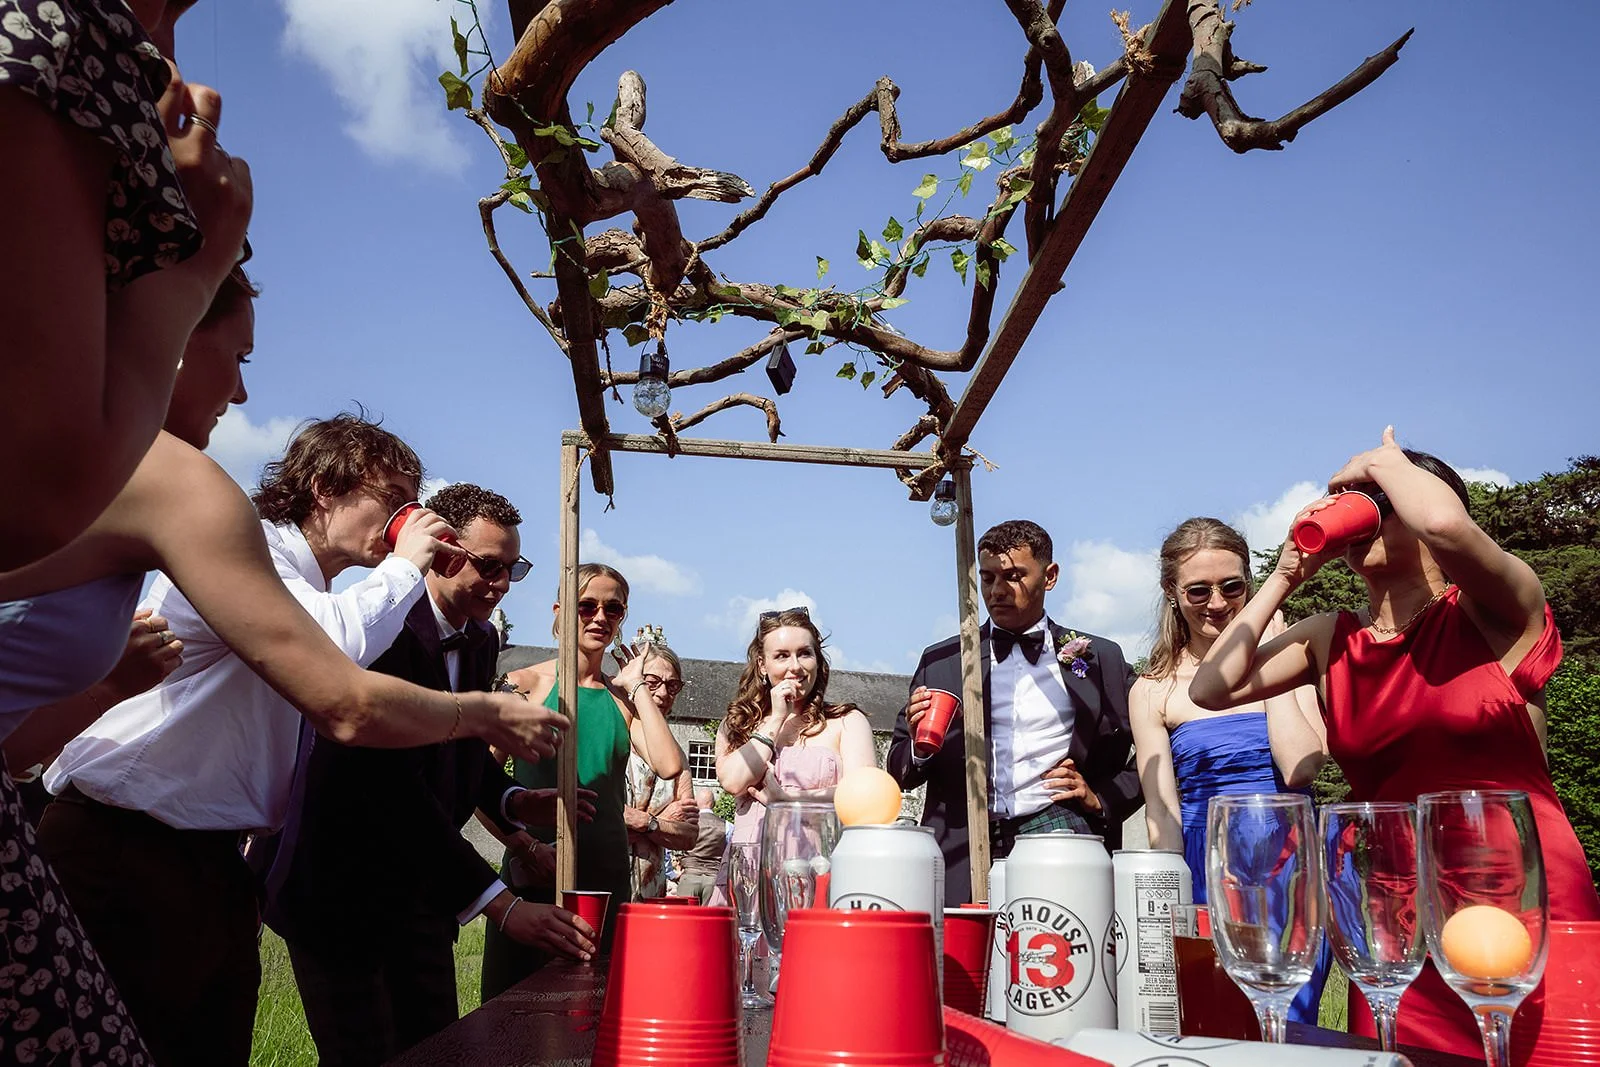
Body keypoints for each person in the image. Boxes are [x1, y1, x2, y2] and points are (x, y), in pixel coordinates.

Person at [20, 415, 564, 1067]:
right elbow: (333, 663)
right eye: (392, 500)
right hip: (122, 841)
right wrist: (408, 567)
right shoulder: (253, 550)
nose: (405, 518)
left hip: (205, 860)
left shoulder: (331, 591)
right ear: (322, 488)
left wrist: (509, 801)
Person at [1191, 427, 1600, 1057]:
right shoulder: (1333, 637)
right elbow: (1212, 687)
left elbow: (1444, 524)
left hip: (1519, 904)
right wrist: (1282, 578)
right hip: (1396, 924)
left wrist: (1384, 459)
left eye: (1376, 499)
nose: (1358, 510)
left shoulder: (1494, 611)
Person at [262, 483, 597, 1066]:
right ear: (442, 550)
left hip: (421, 899)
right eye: (489, 566)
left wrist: (516, 801)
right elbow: (388, 788)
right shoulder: (380, 627)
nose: (499, 584)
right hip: (342, 893)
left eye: (512, 570)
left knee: (438, 1049)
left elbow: (458, 745)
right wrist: (503, 906)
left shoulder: (482, 637)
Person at [1, 0, 253, 570]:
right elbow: (33, 496)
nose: (168, 68)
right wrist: (185, 278)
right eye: (160, 6)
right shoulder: (60, 24)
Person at [1130, 516, 1329, 1023]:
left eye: (1232, 587)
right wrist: (1172, 906)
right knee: (1215, 1022)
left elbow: (1301, 767)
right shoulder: (1154, 690)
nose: (1217, 603)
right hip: (1206, 870)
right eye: (1198, 590)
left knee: (1291, 1026)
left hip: (1291, 865)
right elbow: (1162, 818)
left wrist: (1272, 662)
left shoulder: (1297, 660)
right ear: (1171, 592)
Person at [888, 519, 1141, 907]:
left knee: (1059, 960)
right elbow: (899, 770)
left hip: (1059, 836)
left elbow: (1159, 746)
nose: (997, 591)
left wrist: (1102, 798)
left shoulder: (1099, 659)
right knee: (964, 964)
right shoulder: (942, 661)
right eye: (987, 578)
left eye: (1013, 576)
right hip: (960, 847)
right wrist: (921, 747)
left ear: (1050, 576)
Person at [481, 563, 685, 999]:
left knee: (591, 1015)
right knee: (512, 1016)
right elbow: (473, 781)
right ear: (560, 610)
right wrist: (524, 845)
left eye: (614, 609)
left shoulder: (621, 697)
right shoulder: (522, 686)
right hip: (537, 874)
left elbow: (669, 764)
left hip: (606, 880)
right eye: (586, 605)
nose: (600, 617)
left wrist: (638, 691)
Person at [712, 607, 875, 908]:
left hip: (818, 872)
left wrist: (787, 801)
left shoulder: (847, 721)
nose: (795, 666)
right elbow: (734, 780)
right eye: (782, 656)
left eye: (805, 654)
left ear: (818, 660)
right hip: (749, 876)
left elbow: (865, 796)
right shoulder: (738, 724)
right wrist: (774, 720)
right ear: (762, 664)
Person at [622, 644, 697, 899]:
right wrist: (665, 823)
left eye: (672, 686)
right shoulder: (613, 734)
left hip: (649, 889)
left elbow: (689, 836)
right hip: (603, 877)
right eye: (652, 682)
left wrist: (647, 822)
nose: (663, 693)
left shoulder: (676, 757)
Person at [677, 788, 729, 904]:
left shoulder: (686, 824)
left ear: (696, 803)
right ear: (713, 804)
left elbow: (671, 847)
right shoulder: (727, 826)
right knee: (708, 919)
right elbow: (730, 854)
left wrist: (671, 873)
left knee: (685, 917)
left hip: (690, 875)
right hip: (713, 879)